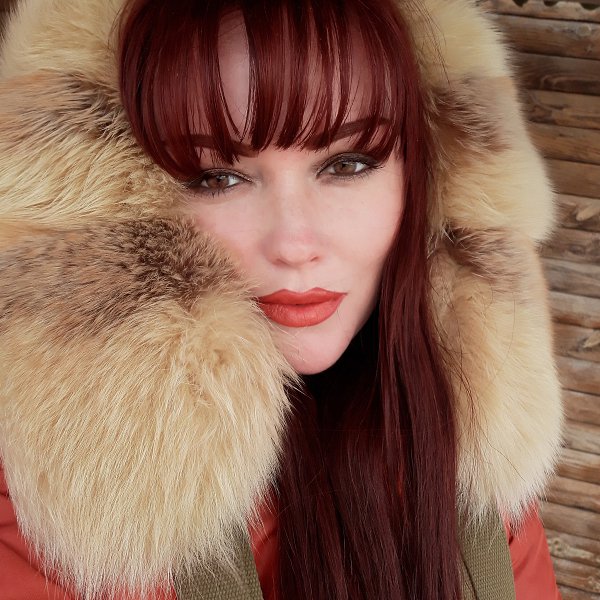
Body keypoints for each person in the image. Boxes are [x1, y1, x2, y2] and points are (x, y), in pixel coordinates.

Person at [0, 0, 564, 598]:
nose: (295, 244)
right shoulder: (48, 518)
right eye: (216, 177)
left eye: (348, 164)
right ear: (118, 214)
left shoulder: (467, 458)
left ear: (427, 180)